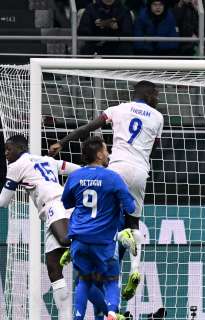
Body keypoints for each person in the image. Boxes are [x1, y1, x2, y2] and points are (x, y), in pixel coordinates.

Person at [49, 80, 164, 301]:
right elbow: (154, 149)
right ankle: (135, 269)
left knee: (97, 211)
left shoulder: (117, 109)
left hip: (116, 167)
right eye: (156, 93)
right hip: (139, 171)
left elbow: (88, 128)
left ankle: (76, 247)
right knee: (133, 223)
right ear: (148, 94)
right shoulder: (158, 117)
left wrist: (62, 142)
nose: (157, 97)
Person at [0, 135, 81, 320]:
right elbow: (76, 170)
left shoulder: (15, 166)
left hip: (54, 204)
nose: (6, 153)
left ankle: (88, 242)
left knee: (65, 240)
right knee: (53, 266)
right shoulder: (47, 160)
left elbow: (4, 201)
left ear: (20, 149)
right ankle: (65, 316)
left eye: (8, 149)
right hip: (53, 208)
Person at [62, 136, 136, 320]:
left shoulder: (75, 176)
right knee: (111, 279)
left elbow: (66, 202)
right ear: (99, 153)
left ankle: (78, 317)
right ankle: (111, 312)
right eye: (106, 149)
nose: (108, 153)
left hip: (79, 239)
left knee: (84, 281)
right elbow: (131, 208)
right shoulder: (112, 177)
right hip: (103, 241)